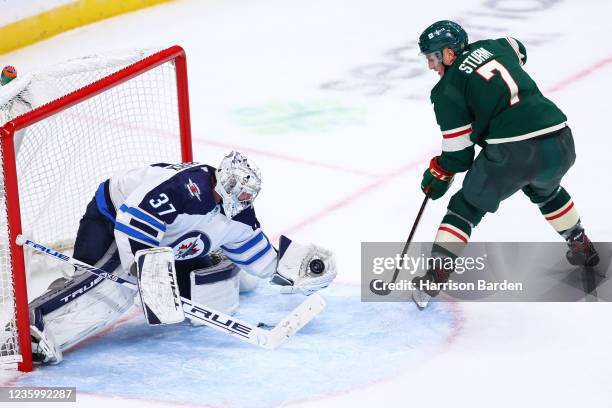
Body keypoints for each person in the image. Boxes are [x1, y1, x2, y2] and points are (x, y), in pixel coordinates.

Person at [26, 151, 337, 363]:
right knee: (105, 288)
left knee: (207, 283)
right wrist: (146, 272)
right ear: (226, 183)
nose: (245, 200)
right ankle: (31, 328)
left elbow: (254, 253)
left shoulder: (236, 213)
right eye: (241, 192)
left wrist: (297, 270)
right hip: (110, 220)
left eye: (249, 196)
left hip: (167, 242)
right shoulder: (185, 189)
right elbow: (133, 221)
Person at [411, 20, 598, 308]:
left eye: (434, 57)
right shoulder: (497, 46)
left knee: (466, 207)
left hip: (513, 153)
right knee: (547, 191)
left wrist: (440, 171)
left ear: (450, 53)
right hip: (560, 139)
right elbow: (518, 49)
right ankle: (581, 244)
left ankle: (436, 274)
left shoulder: (446, 90)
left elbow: (460, 155)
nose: (431, 65)